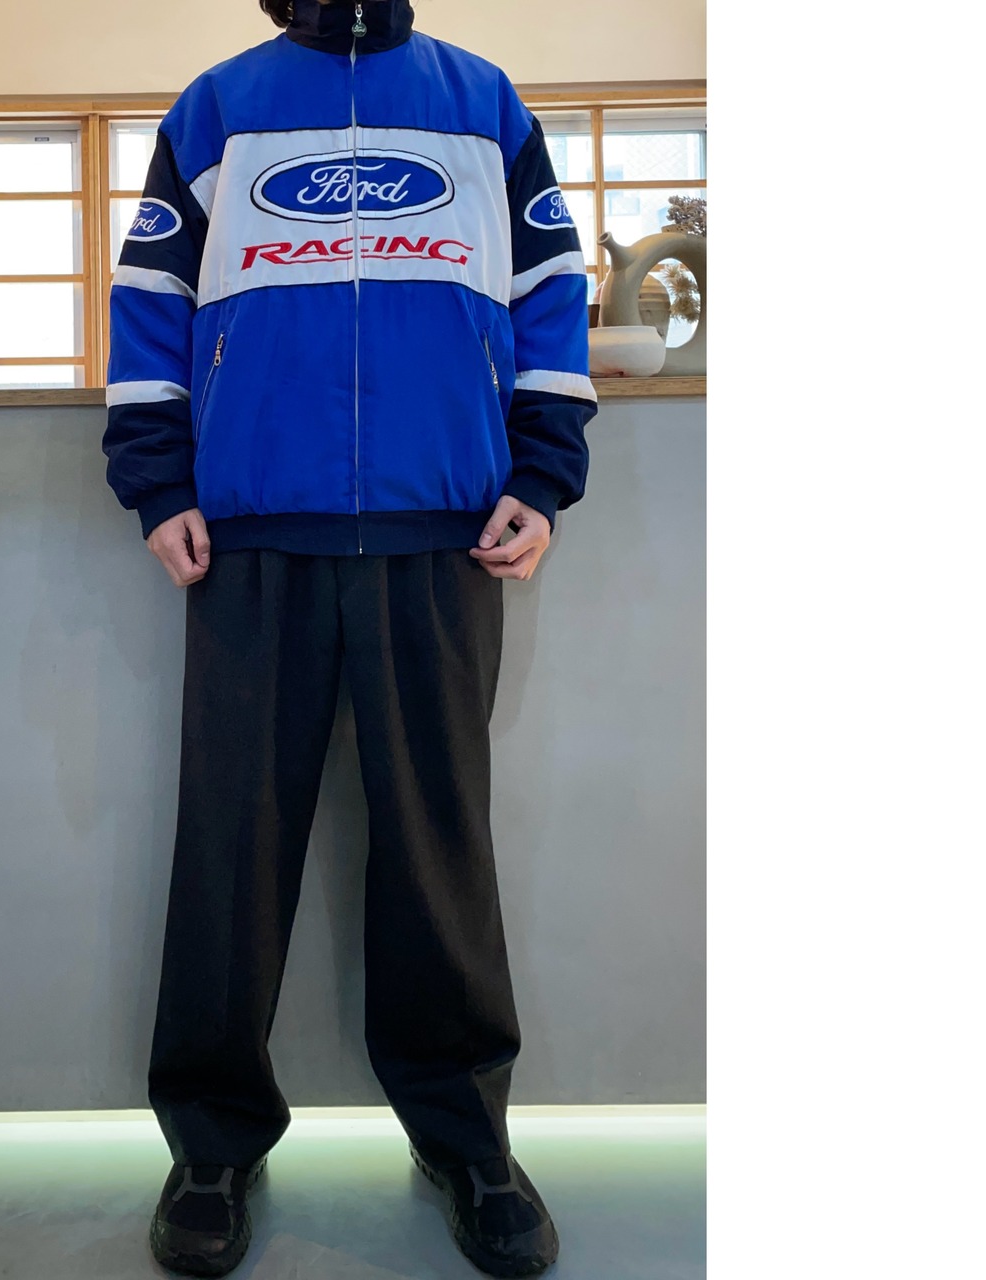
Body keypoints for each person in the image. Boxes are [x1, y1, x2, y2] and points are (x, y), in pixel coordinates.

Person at [102, 1, 597, 1274]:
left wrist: (542, 472)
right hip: (251, 531)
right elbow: (150, 294)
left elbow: (550, 290)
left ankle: (464, 1138)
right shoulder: (217, 106)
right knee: (231, 845)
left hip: (444, 532)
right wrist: (156, 476)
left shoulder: (484, 103)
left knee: (438, 844)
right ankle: (211, 1141)